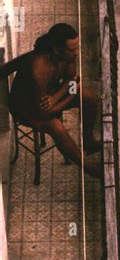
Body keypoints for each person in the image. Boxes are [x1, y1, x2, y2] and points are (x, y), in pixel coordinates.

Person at [0, 23, 101, 179]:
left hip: (49, 94)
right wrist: (70, 94)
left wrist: (55, 97)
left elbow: (70, 80)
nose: (77, 53)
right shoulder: (38, 68)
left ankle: (89, 142)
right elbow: (45, 113)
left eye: (77, 47)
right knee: (56, 127)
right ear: (57, 50)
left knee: (90, 98)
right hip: (28, 108)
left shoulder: (67, 56)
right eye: (73, 49)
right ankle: (90, 169)